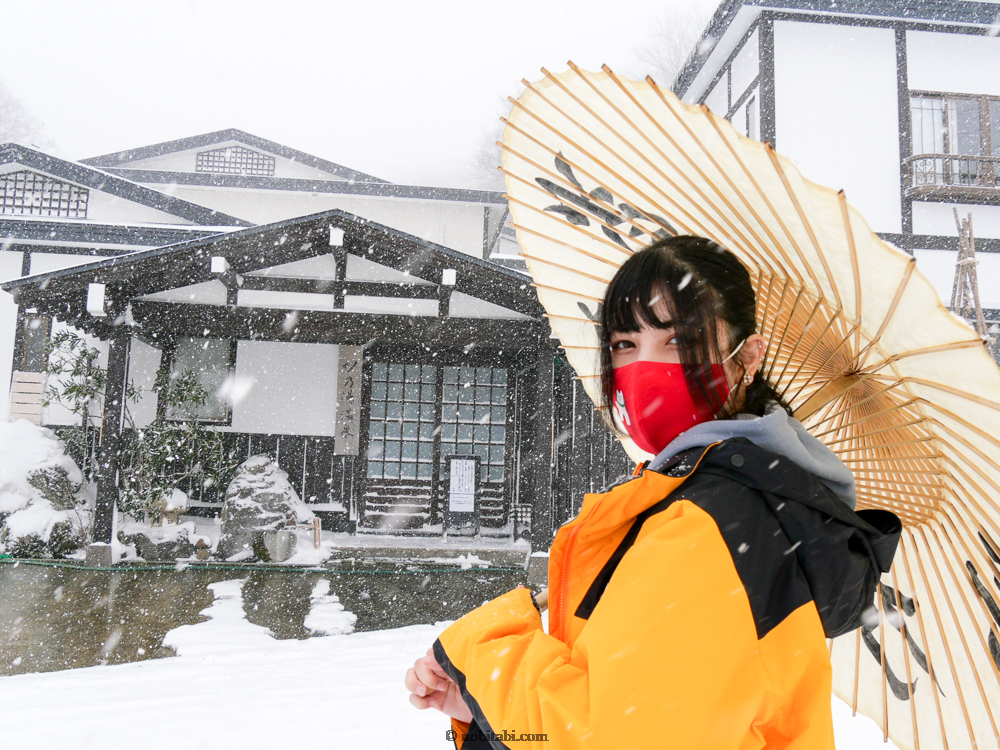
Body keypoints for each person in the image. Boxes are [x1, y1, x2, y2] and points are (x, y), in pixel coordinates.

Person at [405, 236, 900, 749]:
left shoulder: (708, 521)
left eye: (679, 342)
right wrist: (481, 705)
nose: (644, 366)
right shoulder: (743, 501)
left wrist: (482, 652)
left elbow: (606, 736)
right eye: (625, 343)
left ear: (746, 357)